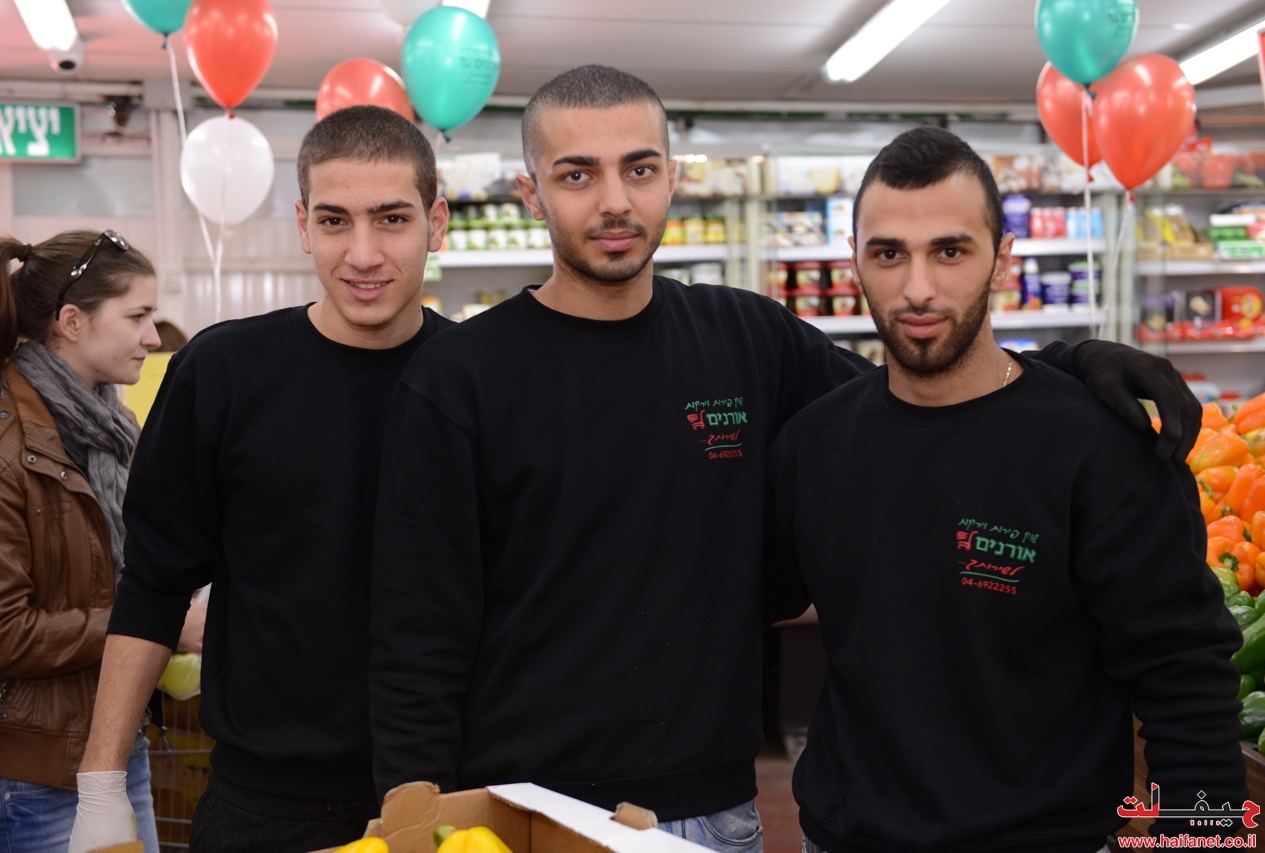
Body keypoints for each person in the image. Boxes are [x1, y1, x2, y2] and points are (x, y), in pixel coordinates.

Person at [367, 64, 1204, 853]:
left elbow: (923, 390)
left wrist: (1071, 365)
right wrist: (419, 821)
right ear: (531, 192)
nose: (615, 200)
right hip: (527, 806)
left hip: (715, 808)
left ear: (672, 178)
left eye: (639, 169)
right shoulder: (459, 377)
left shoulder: (747, 337)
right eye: (578, 174)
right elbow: (417, 639)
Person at [764, 126, 1247, 851]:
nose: (917, 288)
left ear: (1002, 260)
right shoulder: (814, 444)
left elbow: (1185, 676)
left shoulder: (1100, 446)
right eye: (889, 253)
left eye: (950, 251)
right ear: (855, 259)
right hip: (841, 837)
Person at [70, 104, 450, 853]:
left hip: (446, 797)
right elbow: (153, 585)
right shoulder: (222, 373)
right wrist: (101, 781)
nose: (363, 253)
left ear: (435, 224)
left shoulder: (481, 380)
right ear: (303, 225)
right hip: (263, 806)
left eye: (392, 219)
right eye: (335, 221)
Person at [0, 228, 164, 853]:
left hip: (118, 745)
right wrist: (152, 622)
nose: (153, 337)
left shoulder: (114, 430)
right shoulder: (0, 450)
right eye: (137, 316)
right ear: (72, 322)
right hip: (38, 775)